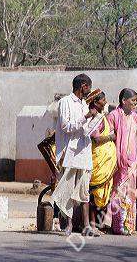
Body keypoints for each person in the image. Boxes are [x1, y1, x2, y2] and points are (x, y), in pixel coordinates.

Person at [52, 73, 96, 236]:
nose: (89, 90)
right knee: (68, 191)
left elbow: (84, 128)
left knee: (84, 191)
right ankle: (68, 225)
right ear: (83, 86)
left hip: (84, 153)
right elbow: (66, 126)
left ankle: (86, 226)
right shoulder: (65, 102)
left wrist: (92, 122)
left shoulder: (85, 104)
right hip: (70, 153)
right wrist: (85, 118)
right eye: (88, 87)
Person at [103, 88, 137, 235]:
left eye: (136, 101)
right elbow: (109, 135)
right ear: (123, 101)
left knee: (129, 193)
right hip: (118, 162)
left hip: (131, 163)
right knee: (118, 192)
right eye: (133, 100)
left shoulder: (134, 117)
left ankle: (129, 225)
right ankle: (116, 225)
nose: (135, 103)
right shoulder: (113, 115)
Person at [87, 90, 117, 235]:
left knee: (105, 193)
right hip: (97, 161)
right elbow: (97, 139)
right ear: (95, 103)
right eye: (103, 100)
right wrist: (111, 137)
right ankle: (92, 225)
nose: (105, 102)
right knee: (94, 193)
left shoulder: (103, 117)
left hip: (107, 163)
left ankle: (99, 225)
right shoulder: (93, 119)